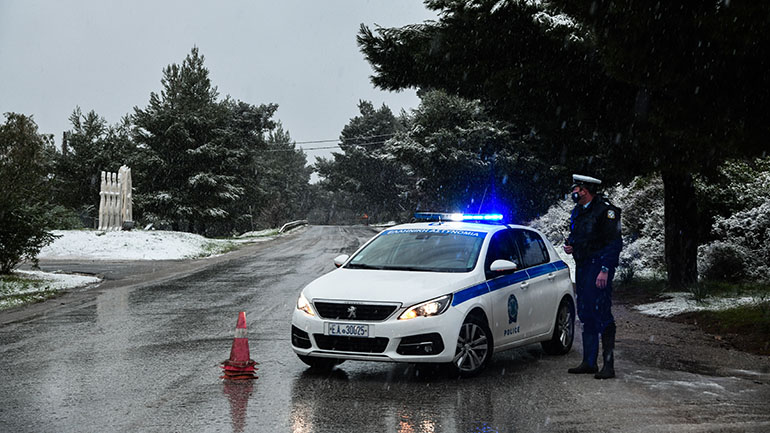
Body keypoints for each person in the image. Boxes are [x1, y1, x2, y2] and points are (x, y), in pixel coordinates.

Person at [563, 174, 622, 379]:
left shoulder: (606, 212)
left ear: (585, 190)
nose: (574, 192)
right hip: (584, 265)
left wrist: (605, 269)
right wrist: (572, 245)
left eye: (576, 189)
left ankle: (608, 365)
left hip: (599, 267)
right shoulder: (578, 211)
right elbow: (580, 236)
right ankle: (589, 362)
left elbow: (613, 243)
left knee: (602, 313)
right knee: (586, 312)